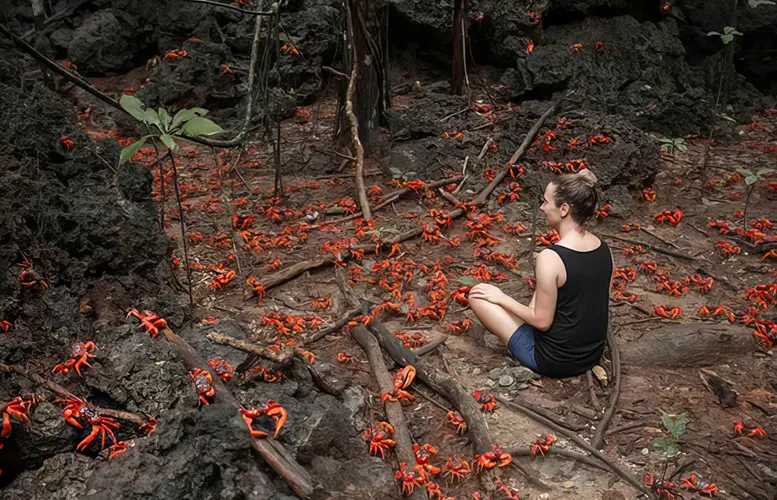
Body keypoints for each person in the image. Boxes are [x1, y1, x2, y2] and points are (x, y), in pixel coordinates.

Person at [467, 169, 614, 378]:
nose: (542, 207)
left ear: (563, 209)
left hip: (554, 361)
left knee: (477, 295)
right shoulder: (604, 249)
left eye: (545, 202)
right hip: (591, 354)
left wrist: (502, 298)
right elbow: (593, 302)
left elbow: (542, 322)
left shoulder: (551, 257)